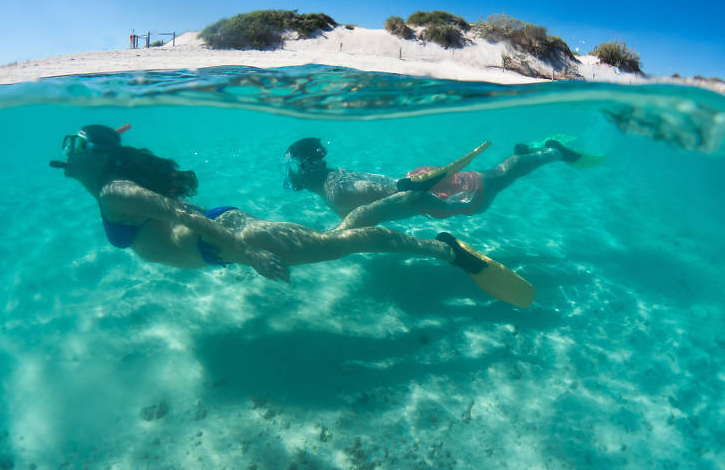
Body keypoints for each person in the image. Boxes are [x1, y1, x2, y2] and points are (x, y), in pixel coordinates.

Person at [50, 124, 517, 295]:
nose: (68, 151)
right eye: (69, 144)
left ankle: (446, 250)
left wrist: (247, 254)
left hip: (228, 241)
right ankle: (409, 198)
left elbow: (183, 216)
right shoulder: (111, 186)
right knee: (345, 236)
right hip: (224, 233)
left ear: (98, 156)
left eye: (77, 144)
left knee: (348, 243)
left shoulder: (114, 191)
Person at [283, 136, 602, 230]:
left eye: (294, 167)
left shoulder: (339, 190)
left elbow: (406, 197)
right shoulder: (332, 178)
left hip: (435, 191)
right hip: (419, 183)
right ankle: (532, 153)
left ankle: (552, 153)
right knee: (497, 176)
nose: (291, 174)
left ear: (308, 168)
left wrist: (450, 205)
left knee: (499, 177)